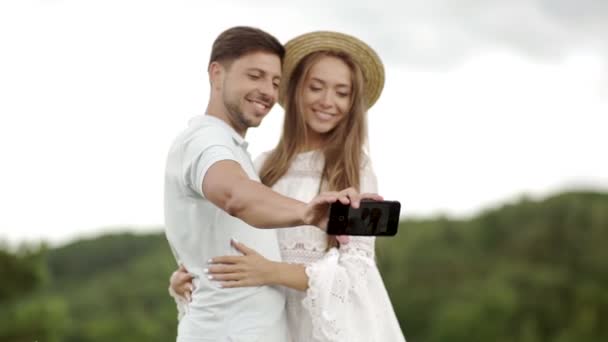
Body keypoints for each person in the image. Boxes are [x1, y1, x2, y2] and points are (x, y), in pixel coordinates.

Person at [164, 27, 375, 342]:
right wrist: (307, 213)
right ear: (217, 74)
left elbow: (356, 271)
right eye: (255, 76)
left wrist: (200, 272)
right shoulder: (224, 149)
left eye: (275, 82)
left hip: (305, 327)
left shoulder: (242, 156)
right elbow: (237, 196)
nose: (266, 89)